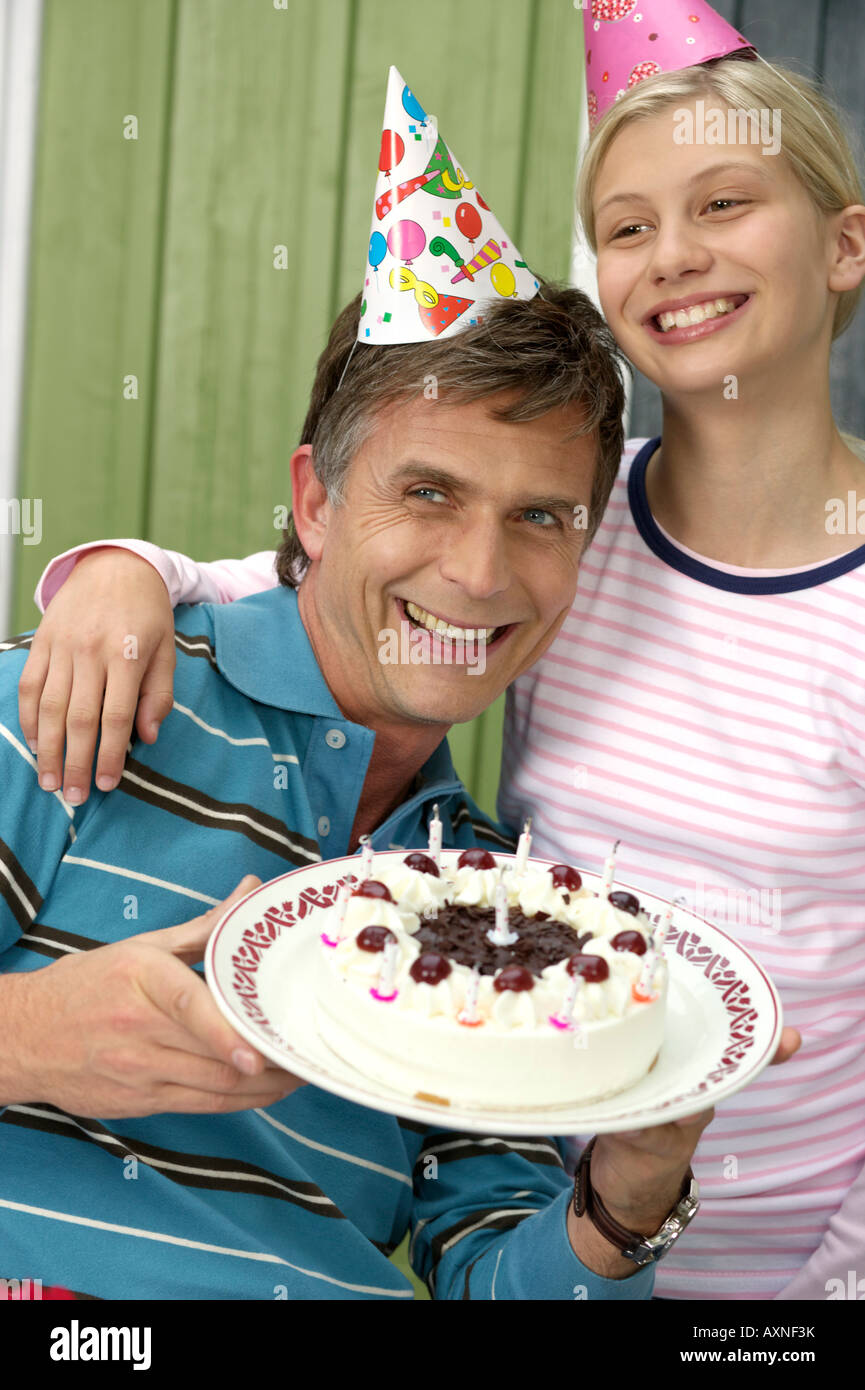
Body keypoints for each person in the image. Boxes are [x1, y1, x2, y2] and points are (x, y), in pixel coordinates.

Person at [26, 53, 861, 1302]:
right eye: (627, 225)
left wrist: (680, 1231)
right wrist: (117, 570)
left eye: (725, 202)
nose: (478, 574)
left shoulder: (489, 859)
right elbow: (313, 581)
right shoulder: (81, 699)